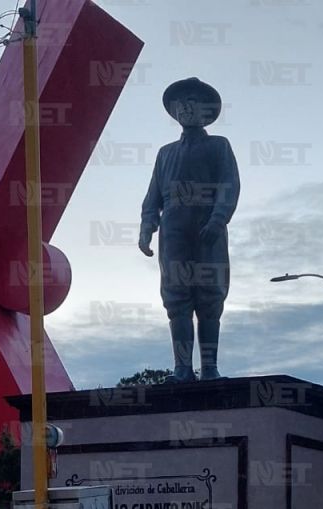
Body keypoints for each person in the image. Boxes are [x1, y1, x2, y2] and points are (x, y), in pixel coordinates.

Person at [139, 78, 240, 382]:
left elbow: (229, 185)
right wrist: (147, 226)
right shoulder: (165, 153)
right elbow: (152, 196)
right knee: (176, 298)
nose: (185, 108)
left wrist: (218, 218)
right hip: (173, 230)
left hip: (208, 227)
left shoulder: (218, 145)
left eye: (192, 102)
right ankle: (182, 368)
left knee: (210, 296)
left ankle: (209, 368)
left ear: (205, 111)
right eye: (181, 104)